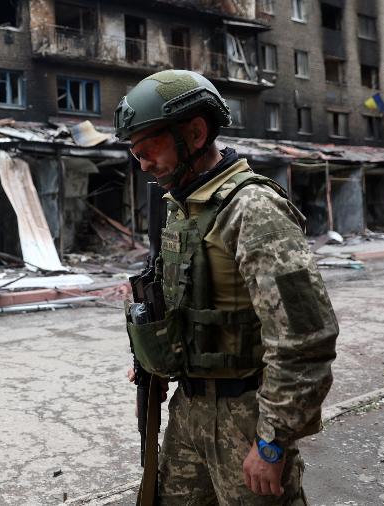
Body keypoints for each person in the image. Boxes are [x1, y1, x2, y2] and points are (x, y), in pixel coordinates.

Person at [117, 69, 339, 505]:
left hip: (247, 417)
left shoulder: (253, 209)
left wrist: (272, 443)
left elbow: (305, 339)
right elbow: (180, 302)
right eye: (135, 154)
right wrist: (154, 356)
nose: (141, 164)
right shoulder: (180, 205)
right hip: (189, 410)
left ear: (195, 134)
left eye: (149, 150)